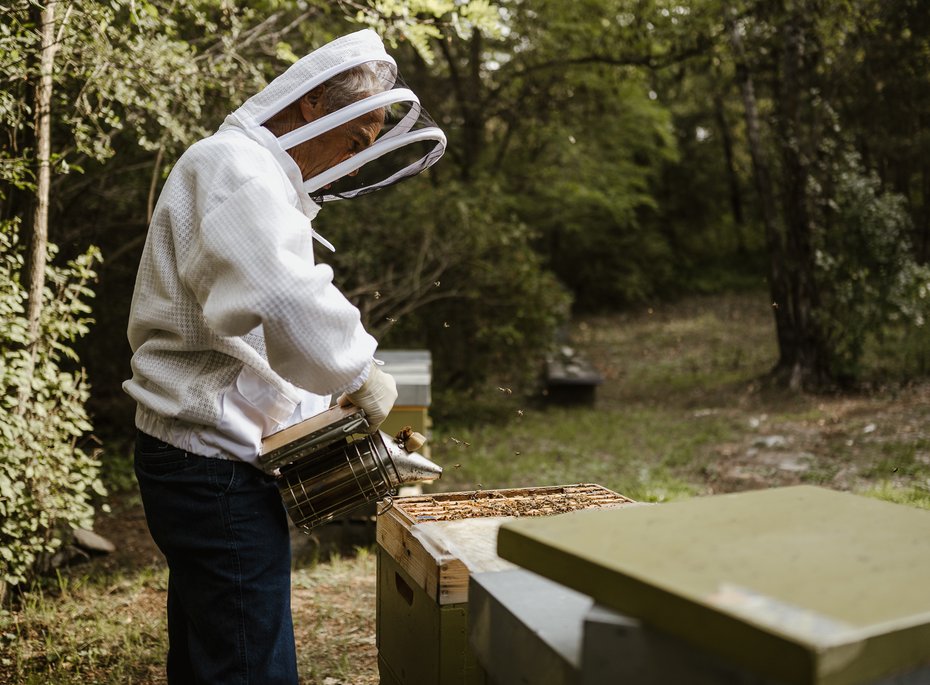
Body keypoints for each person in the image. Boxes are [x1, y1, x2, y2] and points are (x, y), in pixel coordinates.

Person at [123, 29, 445, 684]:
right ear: (308, 106)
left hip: (202, 458)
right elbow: (287, 296)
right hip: (212, 469)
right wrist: (364, 372)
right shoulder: (234, 170)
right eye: (354, 143)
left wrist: (336, 409)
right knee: (249, 666)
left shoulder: (247, 172)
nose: (354, 166)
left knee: (211, 655)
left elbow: (254, 335)